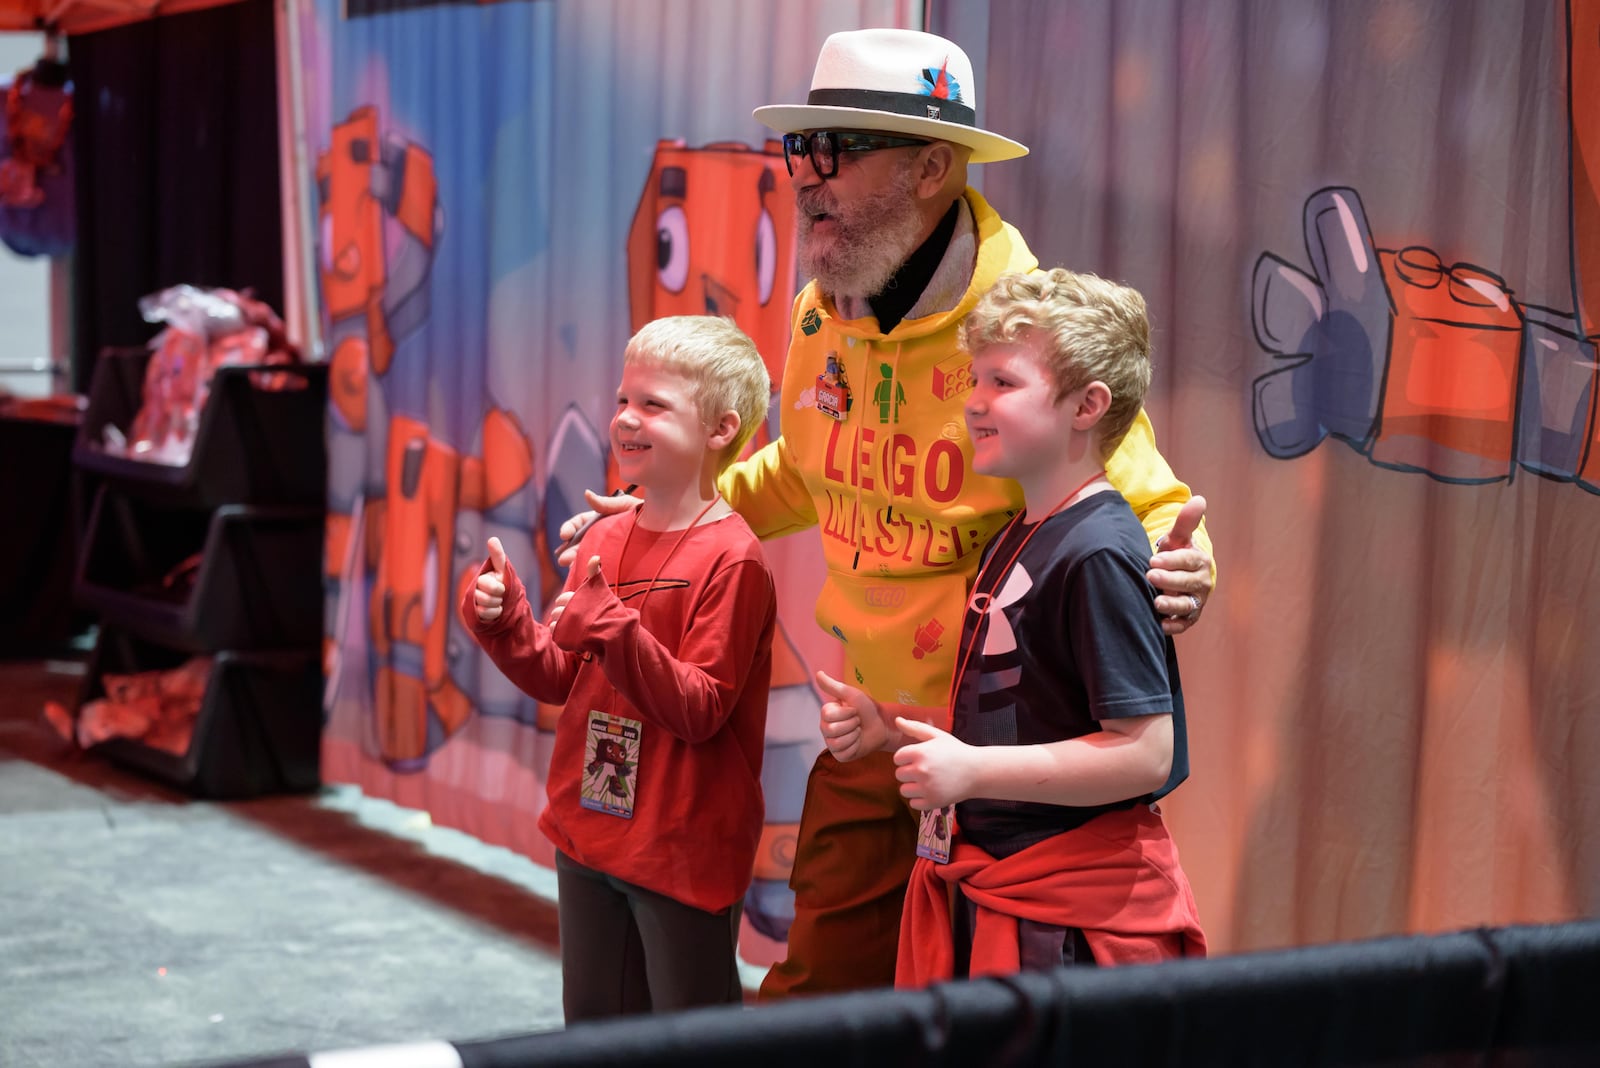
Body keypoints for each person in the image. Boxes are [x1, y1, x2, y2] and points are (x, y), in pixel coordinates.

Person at [559, 27, 1215, 996]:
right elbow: (807, 469)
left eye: (838, 150)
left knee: (978, 1002)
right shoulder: (826, 306)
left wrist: (1181, 569)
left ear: (932, 168)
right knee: (817, 1000)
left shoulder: (1021, 332)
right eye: (802, 149)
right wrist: (662, 513)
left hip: (999, 760)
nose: (807, 179)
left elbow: (1131, 497)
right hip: (872, 733)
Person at [815, 268, 1207, 984]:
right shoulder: (1019, 533)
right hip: (1007, 888)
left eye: (1003, 383)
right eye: (974, 382)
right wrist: (889, 723)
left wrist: (973, 772)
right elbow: (1011, 707)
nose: (973, 405)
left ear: (1088, 405)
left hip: (1070, 918)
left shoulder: (1098, 552)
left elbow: (1146, 753)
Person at [463, 315, 778, 1021]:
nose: (626, 420)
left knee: (688, 1034)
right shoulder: (605, 534)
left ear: (721, 430)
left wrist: (611, 625)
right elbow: (556, 674)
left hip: (681, 846)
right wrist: (504, 618)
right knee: (595, 1029)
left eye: (654, 405)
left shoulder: (735, 558)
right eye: (622, 401)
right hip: (590, 831)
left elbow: (700, 707)